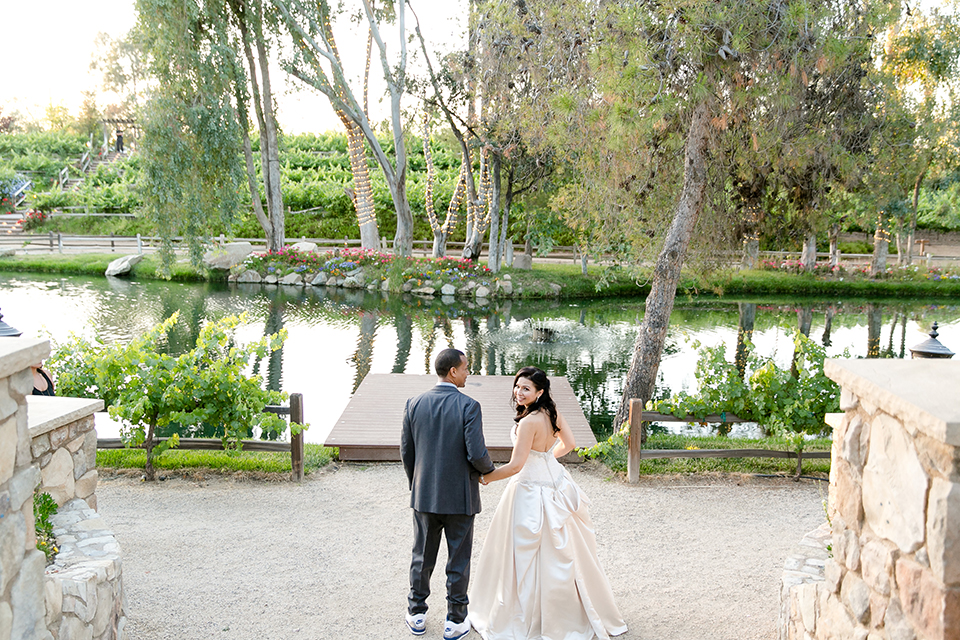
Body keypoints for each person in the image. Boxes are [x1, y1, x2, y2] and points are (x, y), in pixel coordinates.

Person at [469, 366, 627, 640]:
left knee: (523, 554)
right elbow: (569, 443)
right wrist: (547, 459)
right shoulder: (552, 414)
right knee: (562, 552)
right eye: (517, 386)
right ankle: (567, 612)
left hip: (531, 490)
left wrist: (487, 478)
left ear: (539, 392)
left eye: (526, 388)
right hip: (556, 484)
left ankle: (528, 615)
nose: (519, 392)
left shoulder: (528, 423)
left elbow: (516, 465)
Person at [401, 348, 495, 640]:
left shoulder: (414, 403)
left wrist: (416, 483)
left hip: (424, 495)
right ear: (453, 371)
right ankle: (455, 620)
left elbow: (407, 451)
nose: (469, 372)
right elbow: (477, 453)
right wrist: (488, 472)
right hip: (460, 498)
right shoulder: (469, 406)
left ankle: (417, 614)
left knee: (422, 556)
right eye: (466, 368)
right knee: (459, 560)